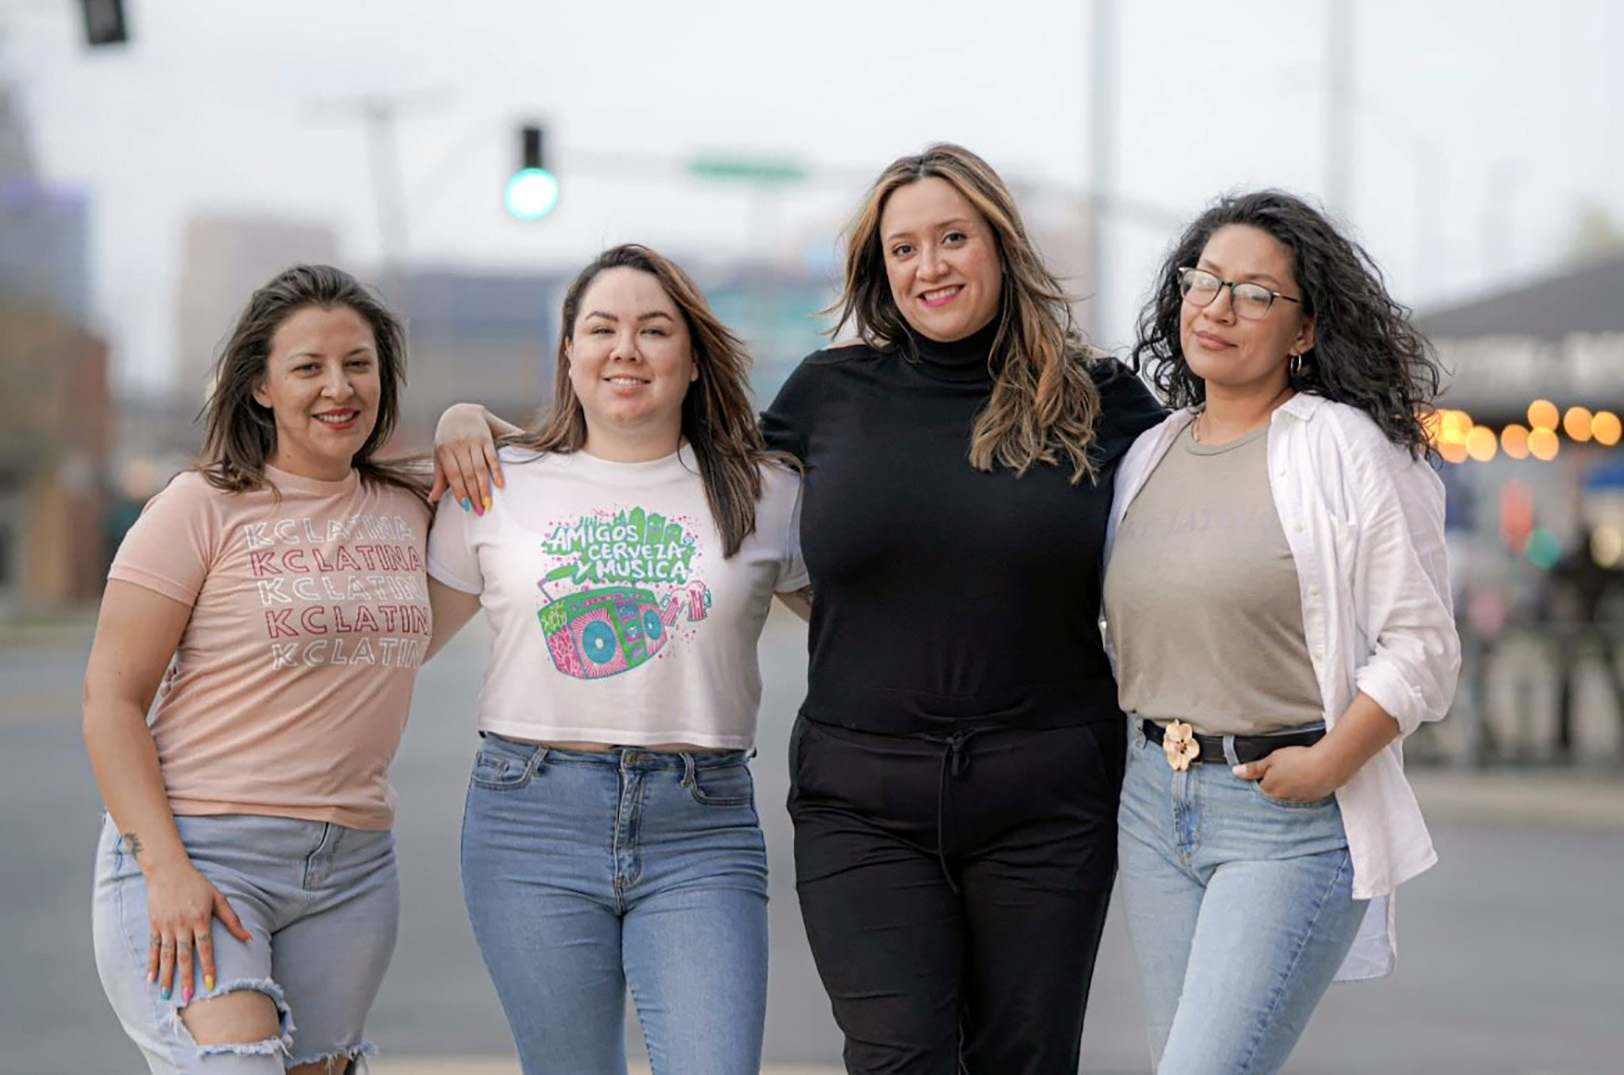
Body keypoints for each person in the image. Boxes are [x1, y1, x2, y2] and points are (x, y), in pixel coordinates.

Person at [759, 143, 1164, 1075]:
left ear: (1000, 244)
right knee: (900, 1056)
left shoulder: (1096, 398)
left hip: (1048, 797)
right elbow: (675, 477)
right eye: (904, 248)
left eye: (952, 237)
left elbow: (1216, 494)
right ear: (879, 269)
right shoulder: (827, 395)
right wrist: (484, 435)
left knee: (1025, 1059)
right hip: (861, 797)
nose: (929, 265)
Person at [426, 244, 808, 1075]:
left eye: (654, 329)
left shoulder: (766, 492)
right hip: (529, 819)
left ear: (695, 357)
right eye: (601, 328)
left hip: (701, 825)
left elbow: (876, 625)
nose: (625, 349)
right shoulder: (496, 482)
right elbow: (394, 640)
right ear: (569, 352)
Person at [1102, 190, 1460, 1074]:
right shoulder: (1150, 451)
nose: (1219, 308)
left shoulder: (1344, 447)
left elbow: (1423, 646)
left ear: (1303, 330)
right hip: (1154, 803)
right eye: (1205, 281)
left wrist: (1331, 761)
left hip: (1286, 811)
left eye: (1256, 293)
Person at [84, 265, 462, 1074]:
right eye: (308, 367)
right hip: (203, 851)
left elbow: (532, 466)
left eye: (358, 363)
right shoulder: (199, 506)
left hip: (353, 869)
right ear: (259, 386)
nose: (339, 387)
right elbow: (110, 700)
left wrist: (468, 416)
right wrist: (167, 868)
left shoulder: (410, 506)